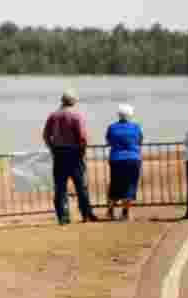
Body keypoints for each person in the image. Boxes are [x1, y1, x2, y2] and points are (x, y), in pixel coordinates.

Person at [43, 89, 100, 225]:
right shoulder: (76, 116)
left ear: (62, 100)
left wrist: (52, 148)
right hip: (74, 153)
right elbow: (82, 137)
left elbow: (45, 135)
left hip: (59, 154)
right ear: (73, 101)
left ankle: (63, 217)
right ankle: (86, 214)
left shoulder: (53, 116)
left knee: (60, 187)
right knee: (81, 186)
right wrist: (83, 150)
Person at [106, 104, 143, 220]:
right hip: (133, 159)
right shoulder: (136, 127)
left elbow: (108, 140)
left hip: (116, 159)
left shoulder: (112, 127)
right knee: (130, 185)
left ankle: (111, 210)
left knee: (115, 184)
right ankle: (125, 212)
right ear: (130, 115)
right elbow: (140, 140)